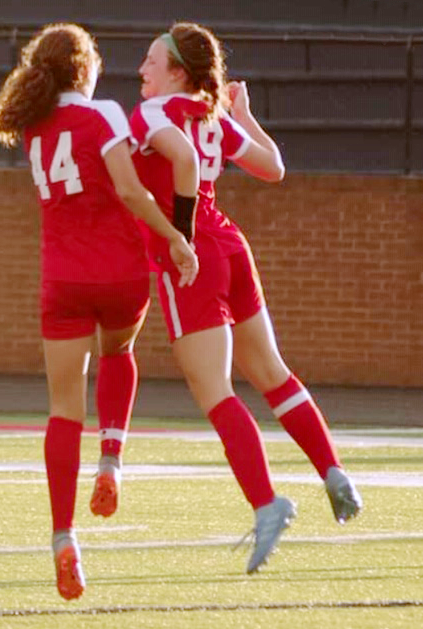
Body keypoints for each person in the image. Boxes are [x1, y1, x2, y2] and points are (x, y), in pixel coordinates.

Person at [130, 22, 363, 574]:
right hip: (232, 245)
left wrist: (179, 237)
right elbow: (273, 167)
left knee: (214, 390)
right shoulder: (210, 115)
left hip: (192, 254)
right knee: (272, 373)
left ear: (178, 72)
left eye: (151, 62)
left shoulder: (153, 114)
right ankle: (333, 471)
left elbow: (180, 161)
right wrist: (244, 113)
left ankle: (267, 504)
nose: (141, 71)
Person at [0, 22, 199, 601]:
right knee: (120, 350)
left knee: (61, 410)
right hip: (119, 272)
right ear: (83, 66)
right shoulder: (102, 113)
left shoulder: (31, 124)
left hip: (62, 280)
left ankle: (61, 538)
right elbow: (131, 192)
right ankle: (111, 461)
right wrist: (176, 237)